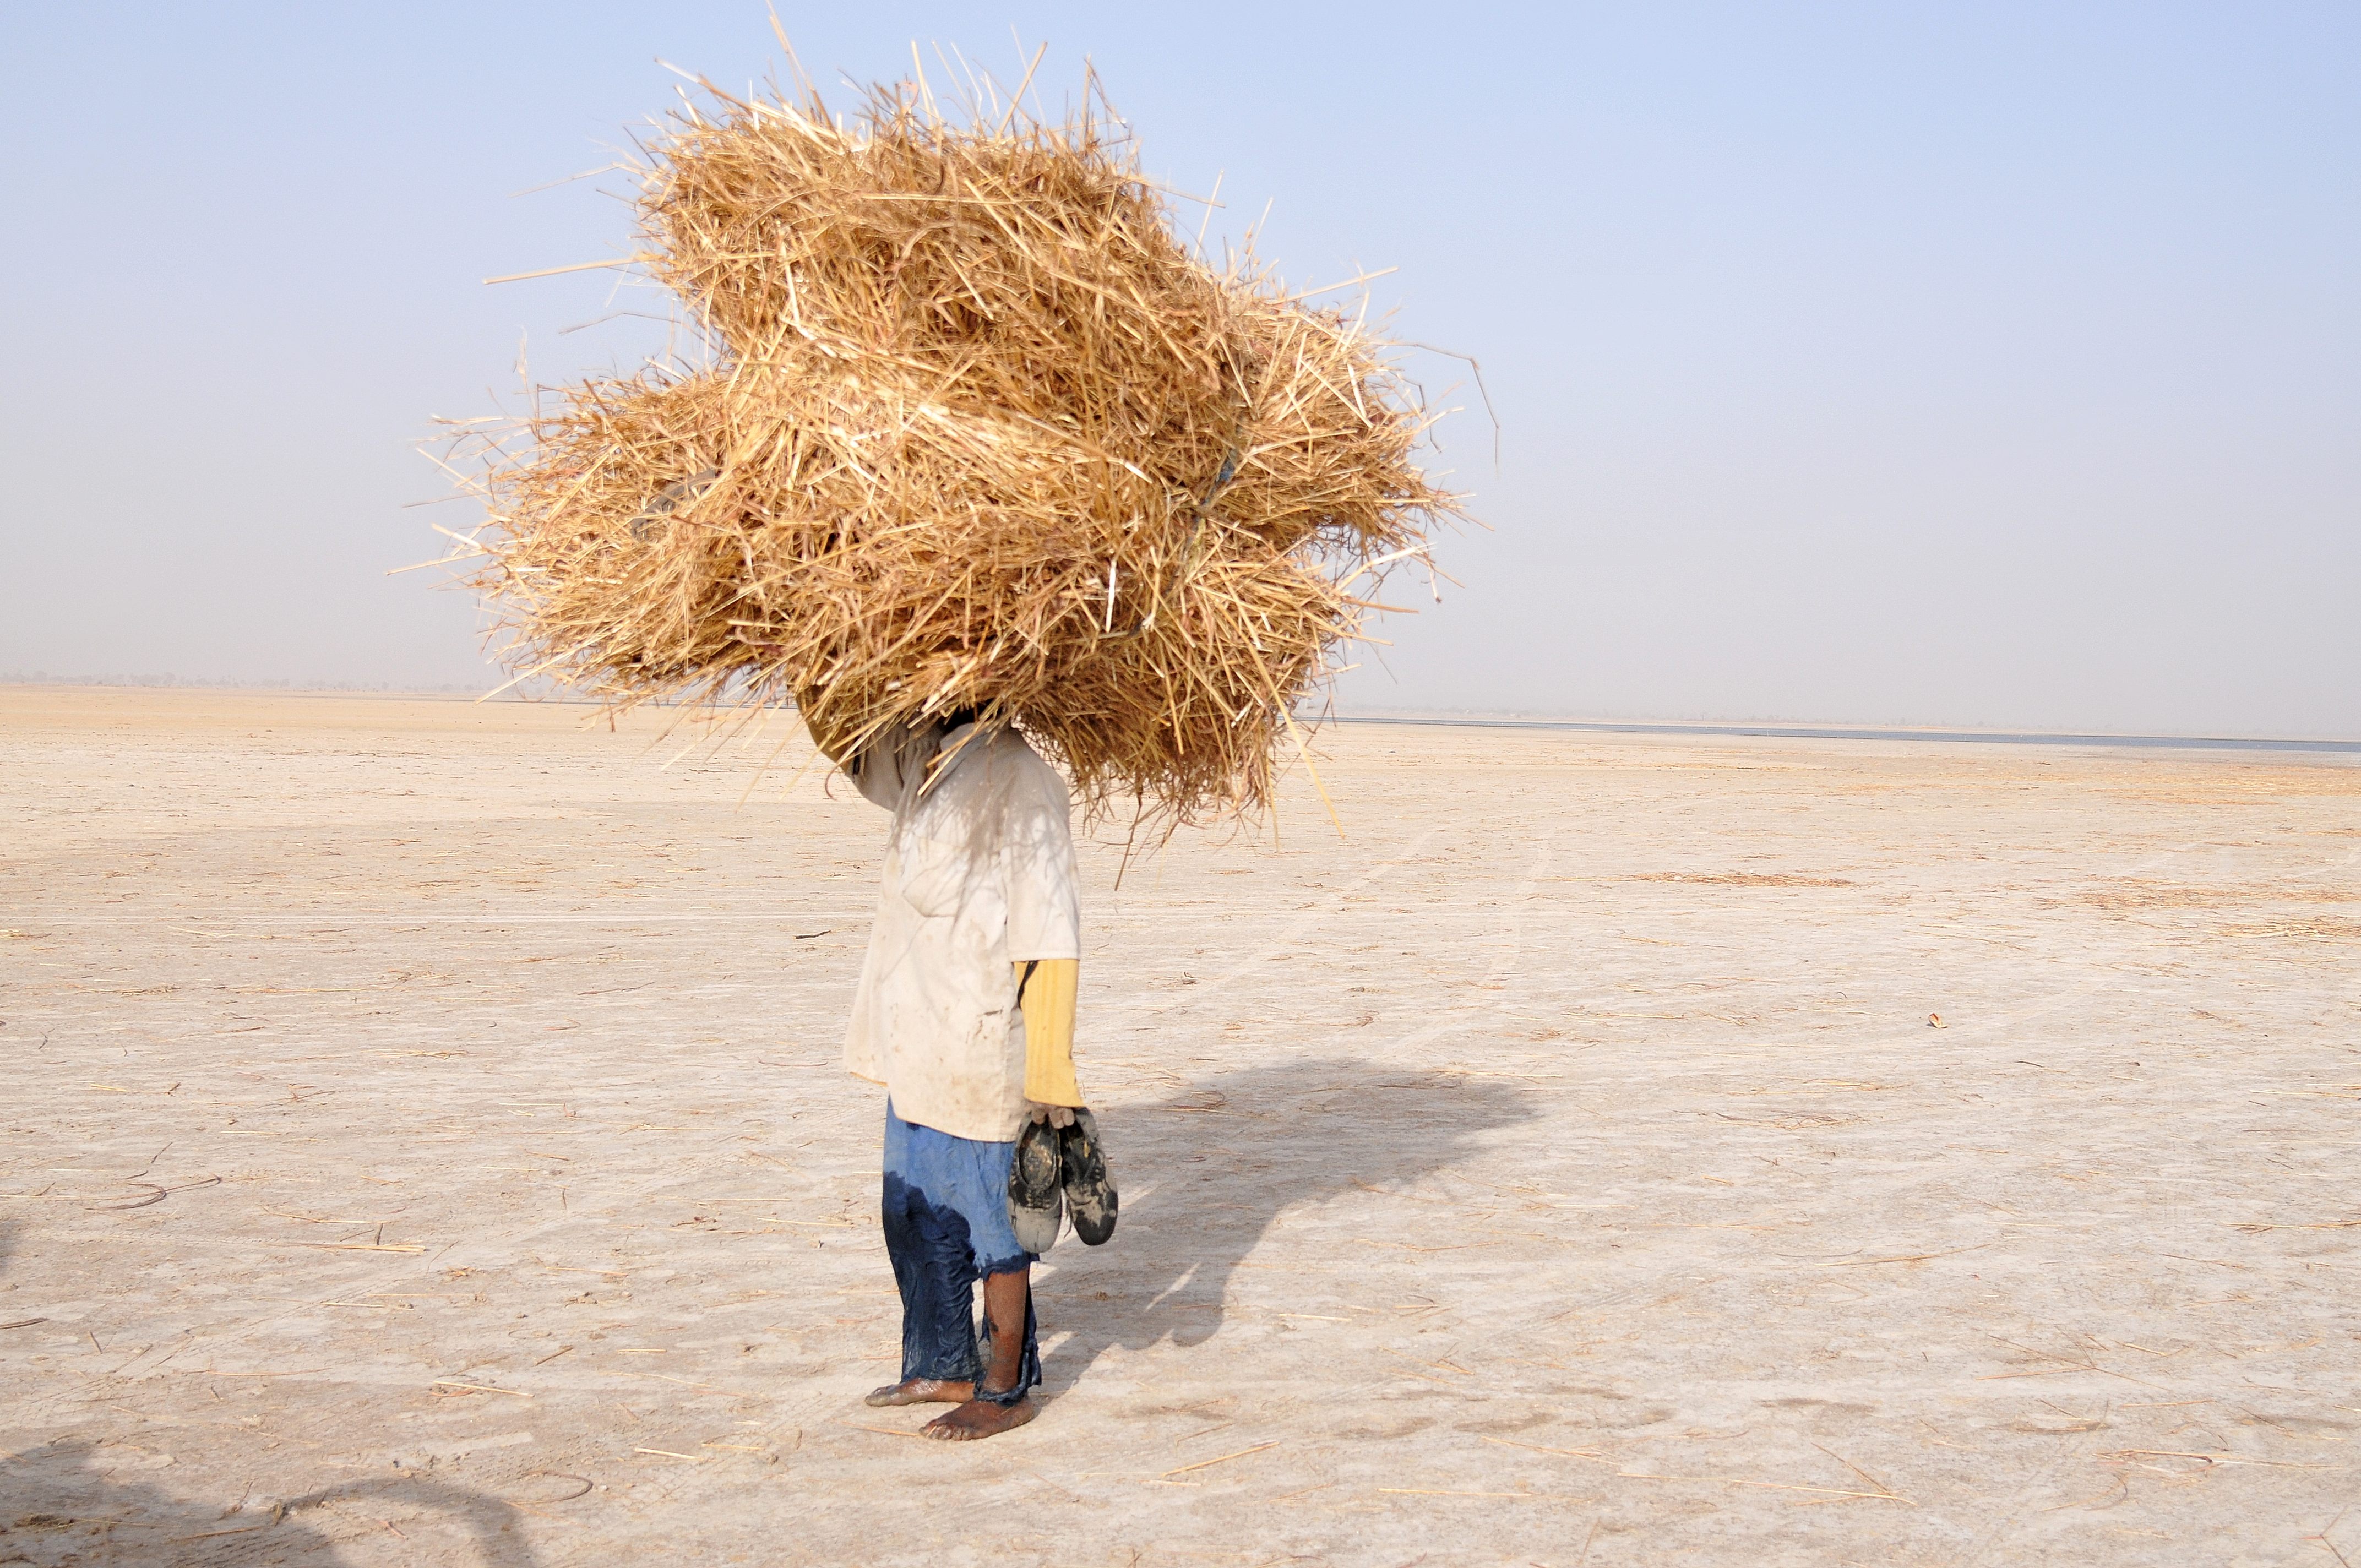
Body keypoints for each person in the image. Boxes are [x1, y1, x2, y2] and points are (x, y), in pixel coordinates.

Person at [822, 707, 1104, 1440]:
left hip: (979, 1044)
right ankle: (943, 1362)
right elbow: (852, 747)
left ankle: (1003, 1387)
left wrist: (1051, 1070)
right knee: (914, 1211)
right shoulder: (925, 758)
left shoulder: (1022, 782)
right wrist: (810, 671)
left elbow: (1052, 936)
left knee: (995, 1227)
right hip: (916, 1039)